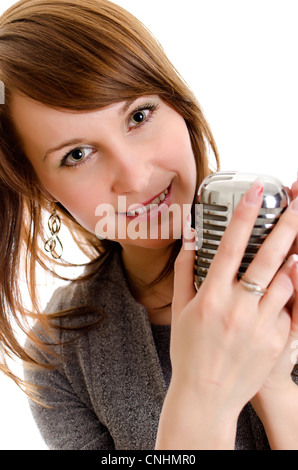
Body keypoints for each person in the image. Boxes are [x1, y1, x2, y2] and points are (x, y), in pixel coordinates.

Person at [0, 0, 297, 450]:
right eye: (76, 155)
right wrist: (203, 393)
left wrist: (274, 384)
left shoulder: (289, 266)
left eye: (139, 115)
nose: (136, 177)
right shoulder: (59, 356)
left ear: (178, 103)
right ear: (41, 190)